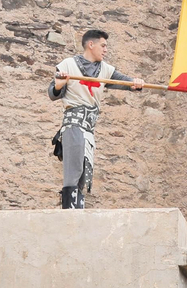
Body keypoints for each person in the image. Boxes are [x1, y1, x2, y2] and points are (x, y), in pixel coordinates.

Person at [49, 29, 144, 209]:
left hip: (89, 128)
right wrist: (59, 85)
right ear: (91, 45)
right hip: (74, 124)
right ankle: (69, 213)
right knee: (74, 170)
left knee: (83, 173)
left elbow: (126, 82)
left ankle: (77, 212)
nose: (106, 50)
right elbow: (53, 94)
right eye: (103, 45)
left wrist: (136, 83)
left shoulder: (105, 69)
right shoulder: (68, 65)